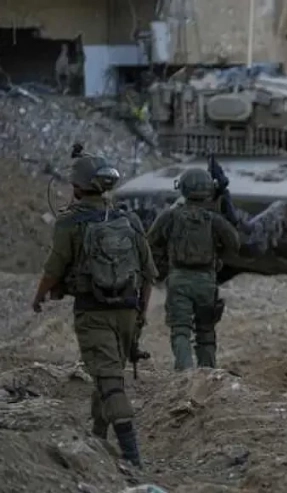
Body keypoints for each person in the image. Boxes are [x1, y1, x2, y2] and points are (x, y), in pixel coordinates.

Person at [31, 155, 158, 468]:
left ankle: (132, 457)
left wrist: (39, 296)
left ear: (77, 187)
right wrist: (140, 315)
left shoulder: (70, 223)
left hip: (93, 312)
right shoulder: (129, 220)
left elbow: (53, 268)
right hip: (128, 312)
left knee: (110, 380)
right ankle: (98, 438)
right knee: (108, 372)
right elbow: (149, 273)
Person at [146, 168, 240, 371]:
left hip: (178, 278)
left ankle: (185, 373)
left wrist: (161, 264)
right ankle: (208, 375)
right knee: (205, 332)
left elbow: (150, 242)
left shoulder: (170, 216)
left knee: (180, 330)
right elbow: (234, 243)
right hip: (206, 280)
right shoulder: (214, 220)